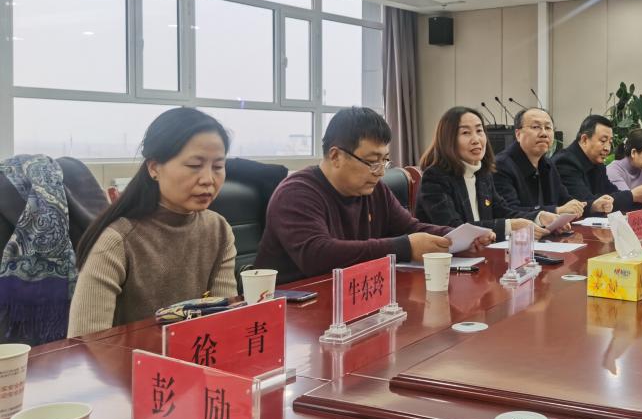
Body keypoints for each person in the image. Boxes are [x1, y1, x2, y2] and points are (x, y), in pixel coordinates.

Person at [67, 108, 237, 336]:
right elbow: (86, 343)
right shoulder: (118, 241)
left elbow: (225, 320)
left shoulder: (218, 229)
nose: (208, 179)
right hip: (126, 358)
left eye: (217, 167)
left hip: (199, 353)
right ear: (154, 168)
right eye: (194, 166)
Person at [256, 107, 454, 283]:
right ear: (336, 156)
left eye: (384, 161)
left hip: (352, 294)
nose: (380, 172)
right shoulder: (296, 194)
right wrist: (405, 247)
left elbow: (410, 228)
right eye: (372, 161)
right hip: (292, 302)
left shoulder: (375, 189)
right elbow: (317, 255)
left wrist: (457, 236)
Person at [417, 107, 565, 239]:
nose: (476, 140)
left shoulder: (483, 175)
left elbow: (504, 212)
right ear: (448, 139)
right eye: (466, 133)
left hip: (481, 254)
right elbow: (454, 228)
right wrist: (509, 226)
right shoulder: (435, 178)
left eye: (479, 131)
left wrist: (539, 217)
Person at [494, 107, 587, 218]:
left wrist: (590, 206)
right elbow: (509, 211)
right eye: (535, 127)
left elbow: (565, 200)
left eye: (548, 128)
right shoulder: (500, 165)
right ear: (518, 134)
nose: (544, 133)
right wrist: (556, 210)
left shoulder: (548, 164)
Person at [554, 115, 642, 213]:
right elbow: (585, 203)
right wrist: (633, 196)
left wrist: (639, 197)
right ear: (584, 139)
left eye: (610, 142)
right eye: (603, 141)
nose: (607, 148)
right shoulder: (565, 162)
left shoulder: (597, 163)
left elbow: (611, 192)